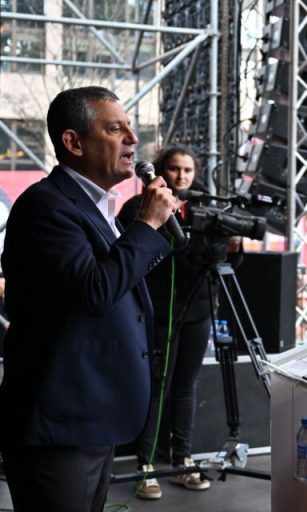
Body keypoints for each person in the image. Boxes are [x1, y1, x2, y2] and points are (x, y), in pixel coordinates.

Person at [0, 86, 175, 512]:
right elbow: (95, 291)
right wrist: (148, 224)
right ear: (73, 142)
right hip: (60, 426)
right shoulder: (47, 207)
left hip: (93, 418)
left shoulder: (98, 208)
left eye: (131, 127)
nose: (133, 139)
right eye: (116, 129)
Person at [116, 145, 213, 499]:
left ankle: (182, 459)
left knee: (186, 387)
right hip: (158, 311)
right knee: (158, 387)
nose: (182, 176)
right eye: (175, 169)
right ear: (161, 171)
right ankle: (146, 465)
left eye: (188, 170)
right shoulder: (136, 209)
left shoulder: (203, 211)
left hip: (198, 311)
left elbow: (219, 266)